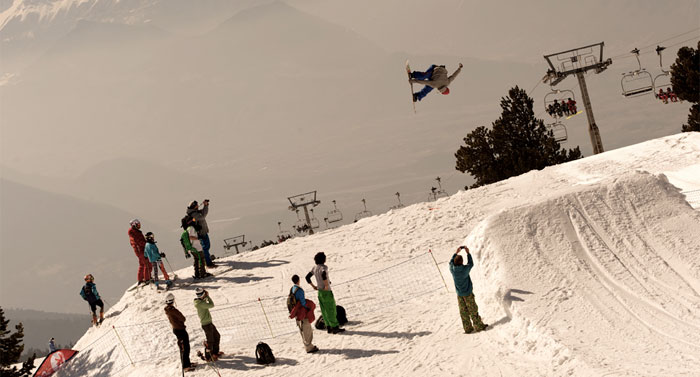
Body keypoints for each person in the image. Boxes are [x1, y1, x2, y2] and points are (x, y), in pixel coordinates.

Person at [449, 246, 487, 334]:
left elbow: (450, 263)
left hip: (459, 295)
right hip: (468, 294)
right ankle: (478, 326)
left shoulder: (452, 270)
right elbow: (471, 263)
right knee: (473, 310)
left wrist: (455, 253)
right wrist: (468, 253)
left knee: (463, 312)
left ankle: (468, 328)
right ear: (462, 262)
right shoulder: (465, 269)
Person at [305, 252, 345, 334]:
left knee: (324, 310)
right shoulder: (324, 267)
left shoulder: (314, 268)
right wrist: (326, 285)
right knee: (331, 309)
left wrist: (313, 286)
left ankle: (328, 327)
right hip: (326, 291)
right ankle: (335, 327)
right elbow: (323, 274)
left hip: (320, 292)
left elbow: (307, 277)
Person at [164, 293, 196, 372]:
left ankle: (187, 363)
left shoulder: (167, 310)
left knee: (183, 347)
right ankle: (186, 366)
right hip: (180, 329)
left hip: (176, 329)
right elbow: (183, 318)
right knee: (185, 348)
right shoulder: (173, 310)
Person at [289, 275, 319, 353]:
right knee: (307, 330)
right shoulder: (299, 290)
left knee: (302, 330)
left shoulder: (292, 289)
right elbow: (303, 302)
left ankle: (307, 346)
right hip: (302, 313)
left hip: (296, 313)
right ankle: (309, 347)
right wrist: (308, 308)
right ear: (298, 280)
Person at [193, 288, 221, 360]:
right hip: (206, 324)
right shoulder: (201, 304)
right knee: (210, 341)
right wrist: (207, 296)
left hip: (209, 323)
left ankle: (215, 352)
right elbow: (211, 305)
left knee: (217, 336)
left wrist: (205, 297)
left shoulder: (200, 302)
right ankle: (208, 357)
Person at [186, 200, 215, 268]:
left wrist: (206, 205)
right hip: (201, 233)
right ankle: (208, 263)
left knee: (206, 247)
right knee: (205, 248)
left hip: (203, 232)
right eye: (196, 205)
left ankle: (207, 260)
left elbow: (204, 213)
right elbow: (202, 217)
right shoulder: (193, 214)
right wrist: (205, 206)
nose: (198, 206)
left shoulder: (195, 212)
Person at [128, 219, 151, 286]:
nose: (139, 226)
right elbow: (138, 242)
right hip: (141, 250)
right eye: (138, 225)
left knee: (142, 264)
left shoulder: (134, 232)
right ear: (134, 225)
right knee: (147, 264)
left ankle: (140, 279)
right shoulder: (134, 233)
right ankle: (147, 279)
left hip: (139, 251)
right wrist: (147, 243)